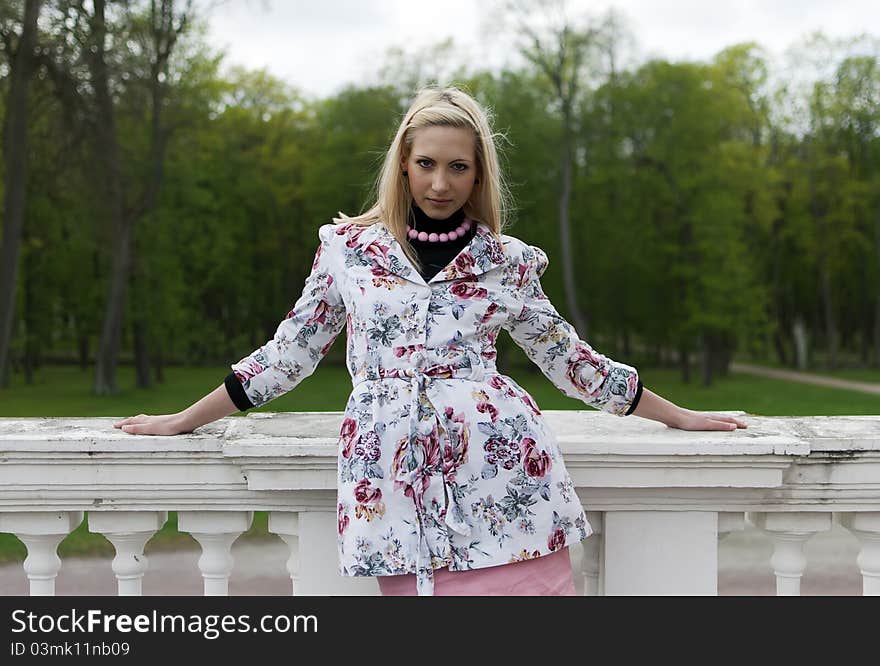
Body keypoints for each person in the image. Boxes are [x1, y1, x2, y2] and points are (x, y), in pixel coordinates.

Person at [114, 85, 748, 596]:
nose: (440, 183)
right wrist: (181, 420)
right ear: (403, 164)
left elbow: (570, 360)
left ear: (478, 176)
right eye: (426, 164)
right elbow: (289, 354)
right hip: (391, 479)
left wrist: (681, 417)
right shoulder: (350, 250)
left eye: (458, 167)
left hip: (499, 476)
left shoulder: (506, 262)